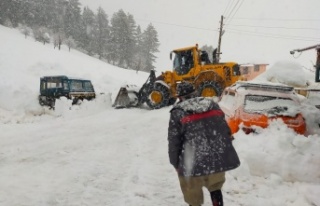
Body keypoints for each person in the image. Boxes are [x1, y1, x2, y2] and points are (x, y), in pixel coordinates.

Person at [167, 82, 240, 206]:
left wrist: (175, 163)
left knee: (193, 194)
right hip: (215, 156)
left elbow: (174, 142)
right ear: (195, 93)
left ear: (180, 97)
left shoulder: (178, 113)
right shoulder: (213, 105)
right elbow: (225, 130)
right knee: (215, 187)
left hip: (191, 161)